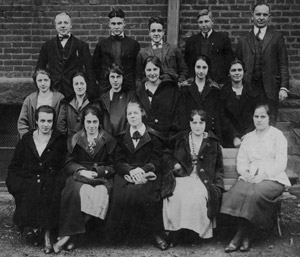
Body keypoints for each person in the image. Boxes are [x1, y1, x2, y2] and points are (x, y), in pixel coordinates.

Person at [220, 104, 291, 252]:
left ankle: (239, 236)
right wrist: (245, 173)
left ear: (269, 118)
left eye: (263, 117)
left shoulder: (277, 136)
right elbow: (242, 160)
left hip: (273, 177)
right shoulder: (249, 138)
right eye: (256, 117)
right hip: (251, 177)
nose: (259, 120)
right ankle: (247, 235)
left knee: (253, 194)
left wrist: (263, 176)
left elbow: (281, 163)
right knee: (238, 192)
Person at [106, 100, 168, 250]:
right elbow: (118, 161)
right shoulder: (121, 137)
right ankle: (120, 235)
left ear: (142, 113)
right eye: (129, 114)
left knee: (143, 194)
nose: (132, 116)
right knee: (120, 195)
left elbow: (157, 160)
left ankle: (155, 233)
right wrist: (130, 170)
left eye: (135, 112)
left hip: (148, 173)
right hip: (126, 173)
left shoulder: (153, 136)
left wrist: (144, 170)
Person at [53, 106, 116, 253]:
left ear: (99, 122)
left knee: (98, 195)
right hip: (80, 176)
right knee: (74, 193)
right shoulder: (75, 139)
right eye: (88, 122)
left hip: (101, 178)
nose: (92, 126)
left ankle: (67, 238)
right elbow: (68, 163)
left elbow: (114, 165)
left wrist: (98, 171)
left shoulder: (108, 140)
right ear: (83, 122)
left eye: (95, 122)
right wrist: (81, 171)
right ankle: (71, 238)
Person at [6, 105, 67, 254]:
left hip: (51, 179)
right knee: (32, 189)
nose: (46, 125)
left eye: (49, 121)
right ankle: (34, 228)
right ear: (37, 122)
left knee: (48, 190)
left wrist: (58, 180)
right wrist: (17, 184)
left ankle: (46, 233)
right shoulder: (26, 140)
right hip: (29, 179)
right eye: (43, 121)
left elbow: (63, 165)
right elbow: (14, 166)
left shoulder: (59, 140)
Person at [162, 109, 224, 246]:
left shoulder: (212, 142)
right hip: (183, 176)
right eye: (194, 122)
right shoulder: (181, 139)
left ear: (205, 124)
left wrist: (218, 186)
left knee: (197, 198)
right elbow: (166, 153)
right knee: (175, 196)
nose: (197, 126)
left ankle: (194, 232)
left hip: (203, 179)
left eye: (201, 123)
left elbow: (219, 167)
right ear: (190, 124)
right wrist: (174, 164)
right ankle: (176, 232)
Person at [235, 2, 289, 124]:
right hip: (248, 88)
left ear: (269, 17)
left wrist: (284, 87)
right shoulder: (243, 40)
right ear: (252, 16)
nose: (261, 17)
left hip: (270, 89)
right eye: (258, 14)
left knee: (269, 122)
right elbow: (237, 66)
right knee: (248, 122)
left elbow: (283, 64)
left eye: (265, 15)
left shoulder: (276, 37)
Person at [36, 12, 96, 98]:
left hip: (74, 92)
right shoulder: (47, 46)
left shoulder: (81, 45)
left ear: (71, 25)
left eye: (66, 23)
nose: (63, 26)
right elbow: (39, 70)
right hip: (54, 91)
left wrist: (90, 93)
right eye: (59, 23)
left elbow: (90, 72)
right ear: (55, 26)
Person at [180, 55, 230, 145]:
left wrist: (218, 140)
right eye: (198, 67)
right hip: (190, 133)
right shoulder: (185, 88)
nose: (201, 71)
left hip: (209, 134)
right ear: (194, 68)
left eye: (204, 67)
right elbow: (182, 115)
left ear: (208, 69)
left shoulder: (214, 89)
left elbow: (217, 116)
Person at [92, 8, 140, 93]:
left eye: (119, 23)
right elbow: (95, 66)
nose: (116, 27)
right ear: (109, 24)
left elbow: (137, 67)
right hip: (106, 86)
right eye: (113, 24)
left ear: (124, 24)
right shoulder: (102, 44)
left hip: (127, 87)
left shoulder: (133, 44)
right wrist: (104, 79)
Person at [135, 16, 188, 87]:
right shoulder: (142, 53)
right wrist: (143, 89)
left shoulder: (173, 49)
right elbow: (138, 76)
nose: (156, 34)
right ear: (149, 33)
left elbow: (183, 70)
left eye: (159, 31)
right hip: (151, 90)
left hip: (170, 88)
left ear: (163, 32)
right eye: (153, 31)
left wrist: (179, 82)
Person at [184, 9, 234, 85]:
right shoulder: (191, 41)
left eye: (206, 21)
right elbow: (187, 62)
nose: (203, 25)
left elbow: (229, 60)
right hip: (198, 82)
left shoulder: (222, 39)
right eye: (200, 22)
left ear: (212, 21)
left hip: (218, 82)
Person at [136, 56, 179, 141]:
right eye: (149, 70)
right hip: (145, 140)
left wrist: (171, 139)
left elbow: (176, 116)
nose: (152, 73)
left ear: (160, 69)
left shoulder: (170, 89)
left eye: (155, 69)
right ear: (144, 71)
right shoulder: (139, 92)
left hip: (167, 140)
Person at [220, 59, 257, 148]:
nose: (237, 73)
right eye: (233, 70)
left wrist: (248, 135)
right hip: (229, 139)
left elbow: (257, 115)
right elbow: (222, 117)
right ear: (229, 73)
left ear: (244, 72)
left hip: (250, 137)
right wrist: (234, 136)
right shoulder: (222, 94)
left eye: (239, 70)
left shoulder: (253, 92)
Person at [18, 69, 64, 138]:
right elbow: (22, 123)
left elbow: (61, 123)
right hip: (34, 138)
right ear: (36, 82)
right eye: (39, 80)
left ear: (50, 80)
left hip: (53, 138)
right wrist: (29, 139)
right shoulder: (30, 100)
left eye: (46, 80)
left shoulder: (59, 98)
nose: (43, 83)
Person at [94, 63, 135, 136]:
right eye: (112, 77)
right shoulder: (103, 98)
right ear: (108, 78)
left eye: (118, 77)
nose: (115, 80)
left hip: (124, 138)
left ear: (123, 78)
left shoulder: (130, 96)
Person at [56, 72, 94, 138]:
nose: (79, 87)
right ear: (72, 86)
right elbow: (60, 126)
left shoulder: (94, 102)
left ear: (86, 84)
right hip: (70, 141)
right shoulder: (66, 103)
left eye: (82, 83)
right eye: (76, 84)